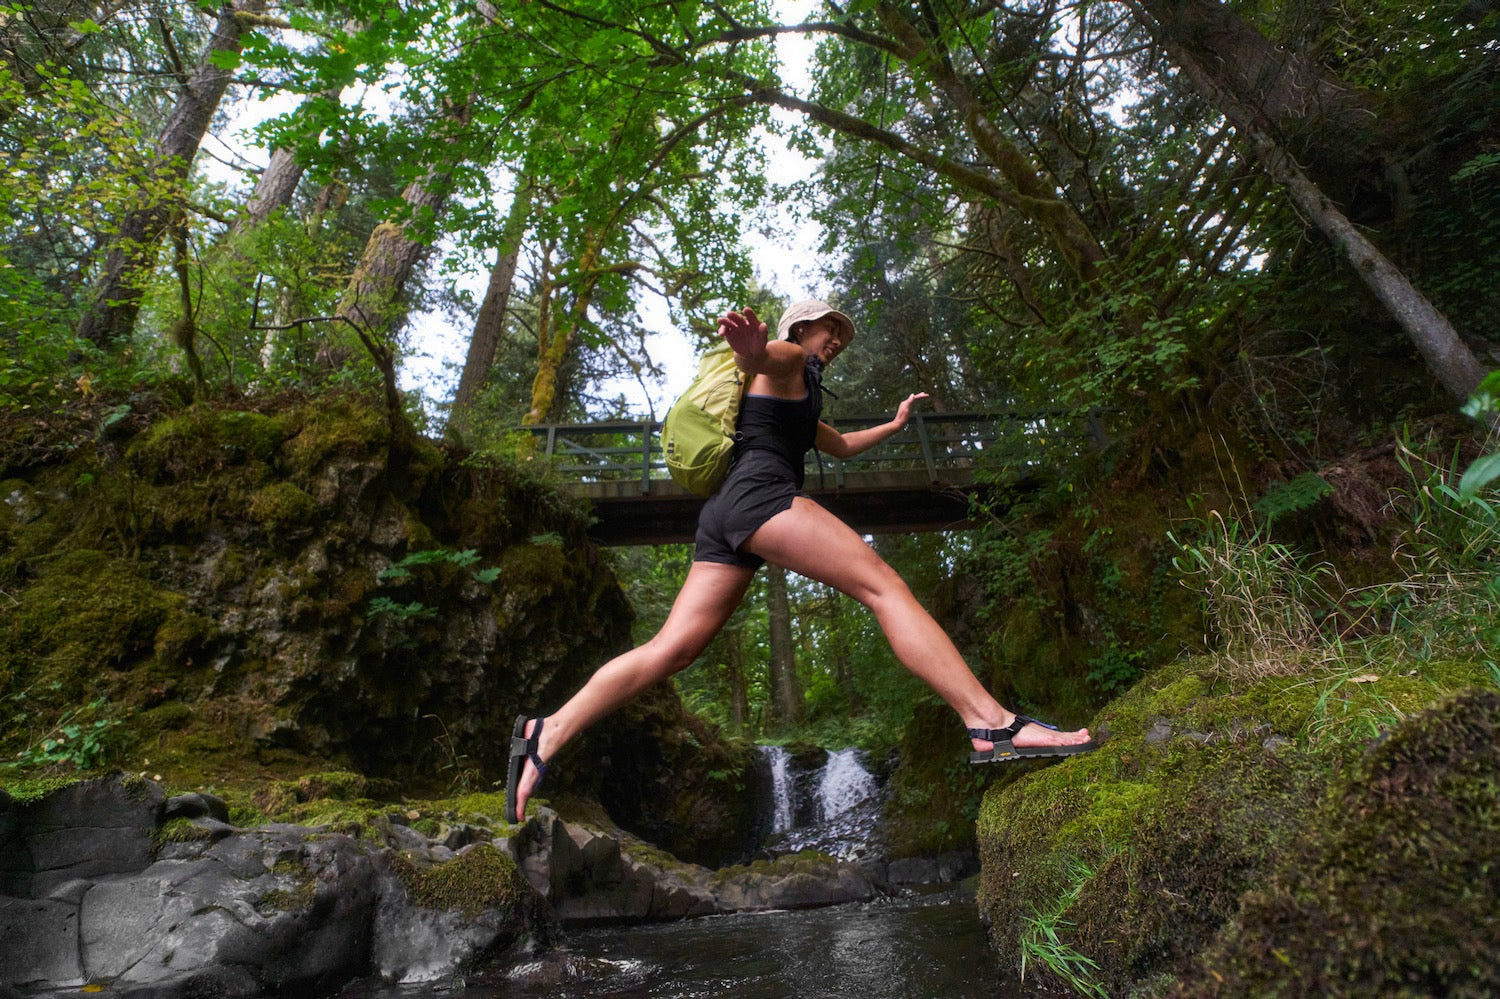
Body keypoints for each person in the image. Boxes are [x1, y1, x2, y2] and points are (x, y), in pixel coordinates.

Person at [505, 300, 1095, 823]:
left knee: (671, 650)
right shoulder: (791, 363)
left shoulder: (800, 400)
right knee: (884, 586)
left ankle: (547, 732)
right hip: (761, 496)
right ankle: (988, 719)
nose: (835, 338)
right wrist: (758, 350)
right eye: (827, 328)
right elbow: (773, 359)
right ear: (801, 328)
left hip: (724, 513)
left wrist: (892, 425)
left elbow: (838, 445)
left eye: (840, 332)